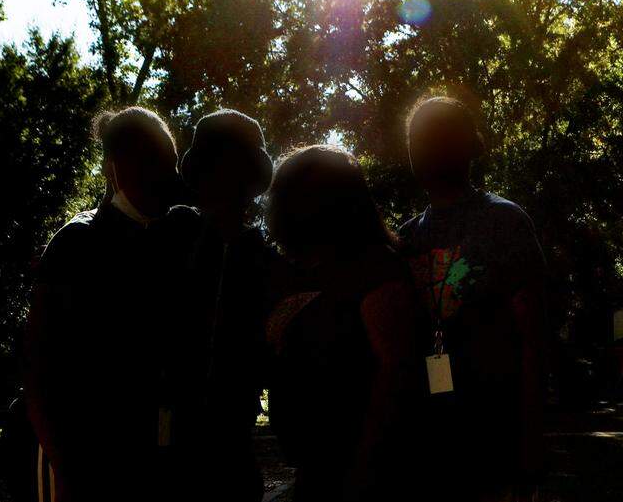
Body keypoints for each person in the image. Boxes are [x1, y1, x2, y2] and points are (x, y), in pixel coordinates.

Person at [25, 106, 182, 502]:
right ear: (115, 168)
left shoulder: (171, 242)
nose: (167, 175)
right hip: (84, 463)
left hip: (148, 464)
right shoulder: (75, 243)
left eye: (170, 161)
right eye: (153, 161)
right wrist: (65, 468)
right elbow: (39, 370)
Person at [397, 96, 546, 502]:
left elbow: (534, 340)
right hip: (428, 449)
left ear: (469, 145)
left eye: (436, 134)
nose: (421, 146)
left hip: (493, 441)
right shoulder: (406, 238)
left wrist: (529, 451)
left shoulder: (505, 221)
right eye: (415, 137)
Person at [265, 145, 422, 502]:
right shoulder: (301, 273)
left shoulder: (376, 268)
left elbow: (396, 372)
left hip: (365, 476)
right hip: (315, 471)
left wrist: (362, 472)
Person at [153, 109, 276, 501]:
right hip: (166, 432)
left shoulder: (261, 256)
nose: (224, 184)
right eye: (215, 169)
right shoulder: (170, 233)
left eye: (235, 172)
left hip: (232, 437)